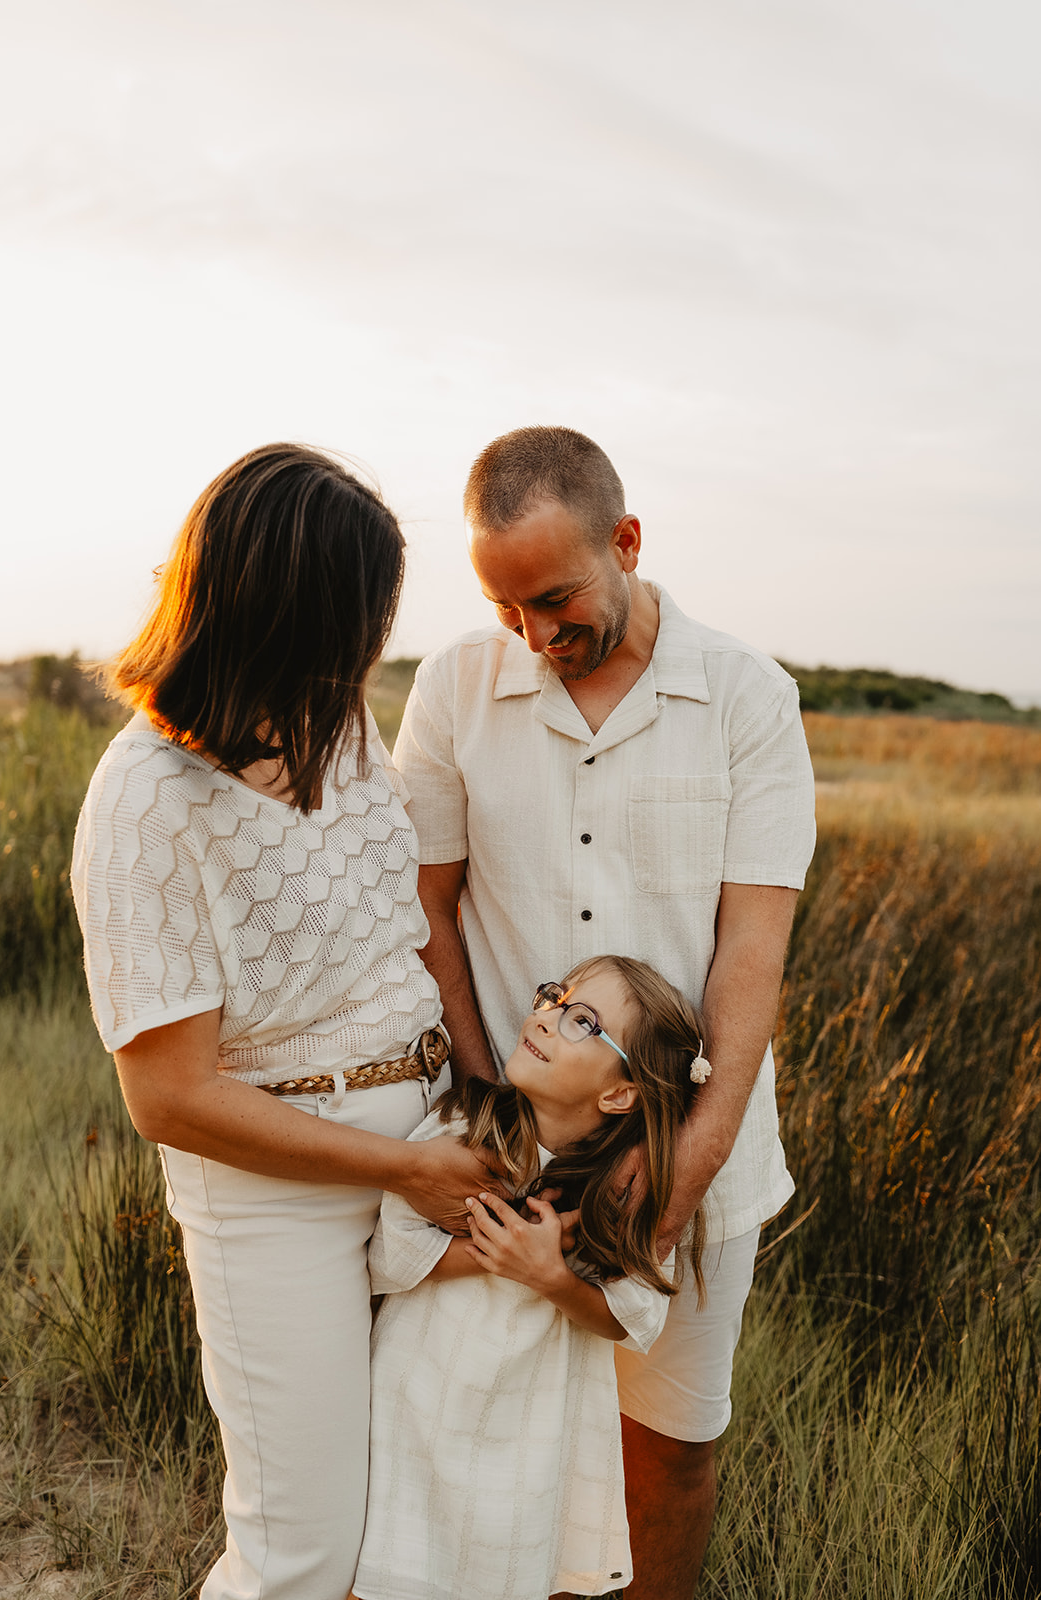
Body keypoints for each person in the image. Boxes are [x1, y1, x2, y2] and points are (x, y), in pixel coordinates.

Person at [393, 425, 817, 1599]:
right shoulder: (450, 690)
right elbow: (429, 907)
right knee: (487, 1447)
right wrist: (484, 1106)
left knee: (667, 1461)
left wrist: (679, 1180)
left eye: (555, 597)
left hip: (687, 1150)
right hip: (504, 1154)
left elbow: (749, 957)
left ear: (625, 541)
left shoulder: (746, 696)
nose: (532, 635)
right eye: (502, 605)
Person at [70, 443, 497, 1600]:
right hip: (276, 1187)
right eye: (355, 619)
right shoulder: (146, 796)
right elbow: (168, 1096)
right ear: (277, 611)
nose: (368, 648)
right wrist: (400, 1166)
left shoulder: (339, 725)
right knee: (301, 1548)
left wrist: (468, 1103)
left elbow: (401, 927)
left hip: (426, 1139)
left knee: (414, 1522)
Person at [350, 955, 710, 1600]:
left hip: (529, 1425)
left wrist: (554, 1279)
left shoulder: (622, 1191)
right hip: (416, 1396)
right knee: (389, 1563)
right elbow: (389, 1253)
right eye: (553, 997)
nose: (544, 1016)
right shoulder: (466, 1123)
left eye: (581, 1022)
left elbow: (634, 1318)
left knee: (501, 1566)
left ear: (620, 1093)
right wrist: (507, 1252)